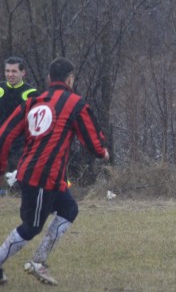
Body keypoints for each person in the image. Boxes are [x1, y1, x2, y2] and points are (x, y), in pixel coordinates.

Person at [0, 57, 109, 285]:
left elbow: (4, 133)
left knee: (69, 209)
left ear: (49, 79)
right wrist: (102, 152)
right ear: (71, 79)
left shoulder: (33, 101)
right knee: (31, 228)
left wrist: (2, 166)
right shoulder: (75, 103)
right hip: (42, 176)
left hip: (42, 174)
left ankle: (38, 261)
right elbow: (92, 140)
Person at [0, 57, 37, 197]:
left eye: (14, 71)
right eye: (7, 71)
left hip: (21, 144)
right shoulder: (0, 89)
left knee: (19, 180)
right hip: (1, 140)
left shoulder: (31, 93)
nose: (10, 74)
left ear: (23, 73)